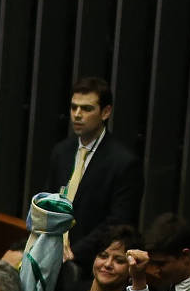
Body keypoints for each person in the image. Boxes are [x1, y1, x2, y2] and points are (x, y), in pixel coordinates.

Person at [45, 76, 142, 236]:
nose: (77, 114)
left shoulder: (124, 163)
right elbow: (47, 202)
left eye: (86, 109)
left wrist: (73, 254)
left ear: (105, 112)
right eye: (73, 107)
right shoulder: (61, 151)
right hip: (53, 250)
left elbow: (116, 223)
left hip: (91, 257)